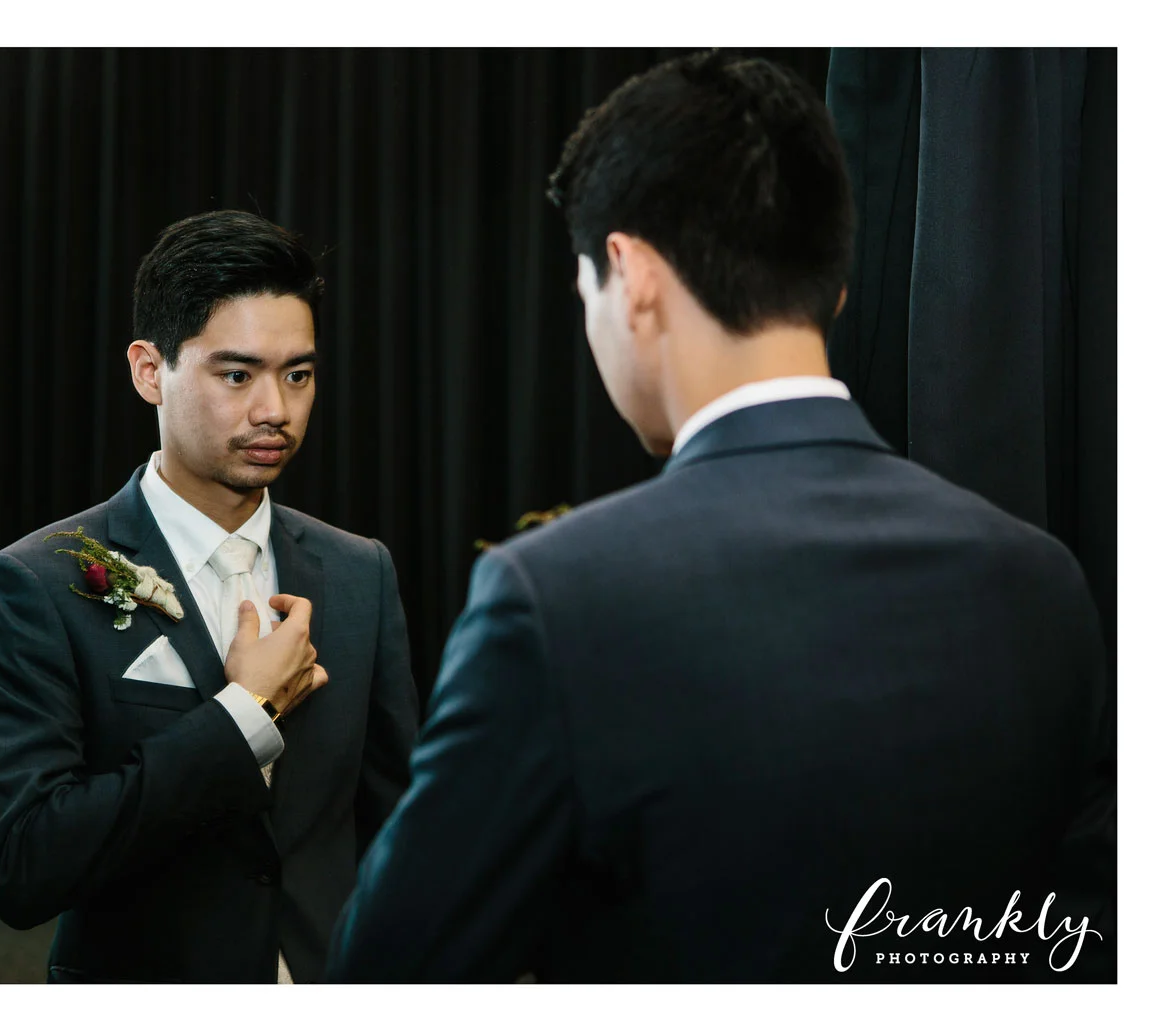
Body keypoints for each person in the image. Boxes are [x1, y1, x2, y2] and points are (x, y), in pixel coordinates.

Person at [324, 52, 1114, 982]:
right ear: (836, 286)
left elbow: (391, 969)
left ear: (631, 275)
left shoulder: (560, 597)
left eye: (585, 292)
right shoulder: (1043, 579)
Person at [0, 210, 420, 983]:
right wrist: (244, 714)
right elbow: (23, 864)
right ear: (150, 370)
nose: (276, 409)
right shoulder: (35, 582)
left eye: (298, 374)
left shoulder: (360, 571)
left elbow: (396, 823)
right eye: (237, 375)